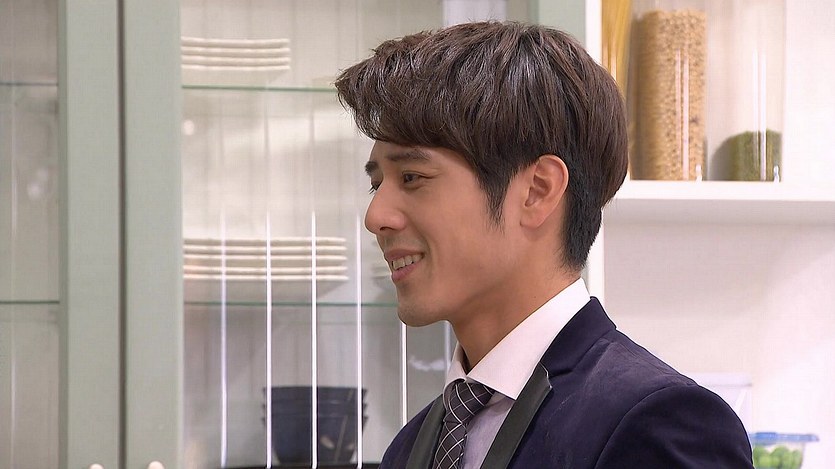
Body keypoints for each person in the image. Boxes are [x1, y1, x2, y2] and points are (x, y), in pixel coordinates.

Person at [335, 21, 753, 469]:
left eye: (412, 177)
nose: (375, 216)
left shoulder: (657, 422)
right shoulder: (411, 446)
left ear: (537, 190)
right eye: (376, 184)